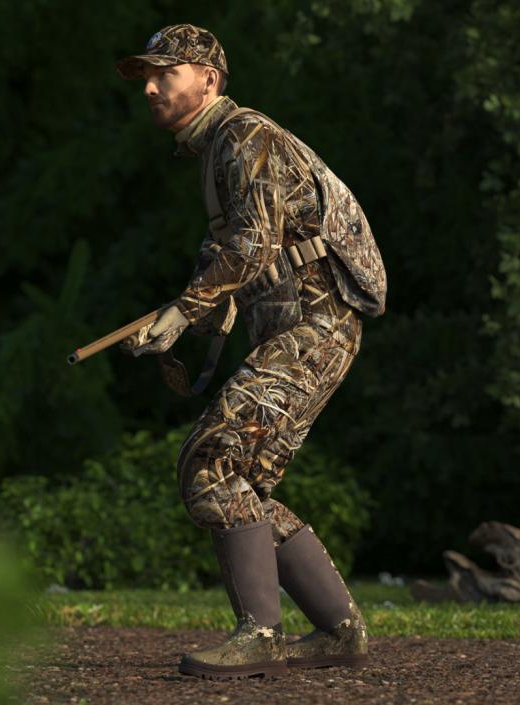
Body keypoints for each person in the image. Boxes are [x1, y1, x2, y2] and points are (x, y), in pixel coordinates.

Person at [116, 24, 388, 680]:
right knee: (241, 481)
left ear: (208, 78)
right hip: (301, 327)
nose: (149, 86)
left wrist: (181, 311)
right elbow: (258, 243)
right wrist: (218, 303)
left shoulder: (242, 137)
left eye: (166, 73)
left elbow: (251, 244)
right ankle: (337, 629)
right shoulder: (217, 147)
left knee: (207, 462)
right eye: (145, 76)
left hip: (315, 326)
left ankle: (261, 632)